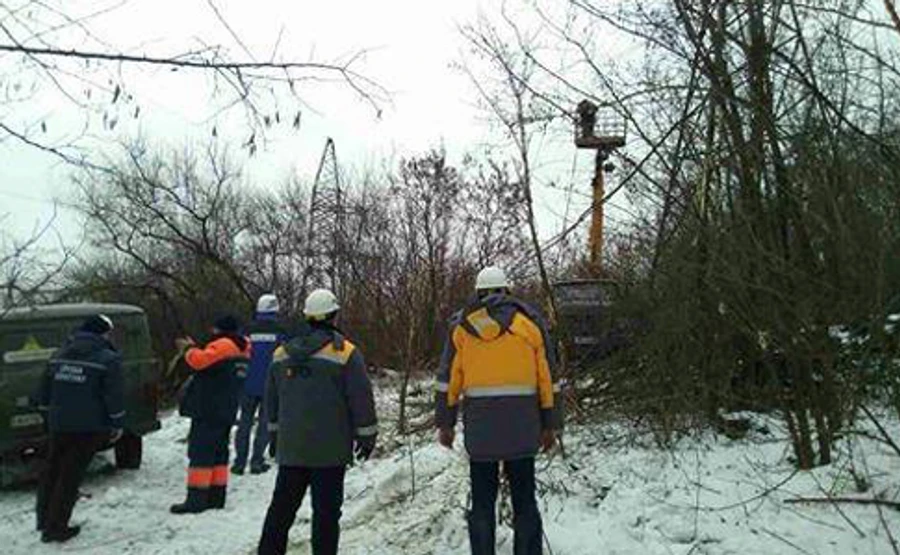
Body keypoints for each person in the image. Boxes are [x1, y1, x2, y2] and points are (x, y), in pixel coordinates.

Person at [434, 266, 563, 555]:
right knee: (525, 503)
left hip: (482, 433)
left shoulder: (463, 328)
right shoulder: (529, 325)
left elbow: (447, 380)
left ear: (478, 293)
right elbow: (548, 379)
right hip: (523, 429)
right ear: (507, 291)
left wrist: (446, 423)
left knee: (482, 504)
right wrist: (550, 424)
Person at [257, 288, 378, 555]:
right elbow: (361, 398)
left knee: (281, 511)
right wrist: (367, 436)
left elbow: (271, 401)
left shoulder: (281, 354)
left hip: (292, 449)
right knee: (326, 516)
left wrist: (274, 435)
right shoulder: (345, 353)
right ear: (334, 316)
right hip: (330, 453)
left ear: (307, 317)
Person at [35, 314, 125, 543]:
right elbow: (113, 396)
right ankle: (56, 528)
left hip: (58, 424)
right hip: (88, 426)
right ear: (103, 333)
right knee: (70, 476)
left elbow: (44, 390)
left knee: (52, 471)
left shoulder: (58, 355)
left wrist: (47, 415)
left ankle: (44, 520)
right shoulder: (108, 359)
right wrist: (117, 423)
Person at [171, 315, 251, 514]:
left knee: (201, 454)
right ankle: (216, 496)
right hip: (226, 408)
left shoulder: (224, 345)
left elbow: (199, 361)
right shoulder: (243, 348)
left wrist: (188, 349)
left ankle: (196, 500)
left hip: (208, 409)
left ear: (219, 329)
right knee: (219, 454)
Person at [233, 293, 285, 475]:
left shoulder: (247, 330)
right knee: (264, 423)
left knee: (244, 422)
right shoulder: (280, 331)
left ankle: (239, 463)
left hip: (247, 383)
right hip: (270, 384)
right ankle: (257, 461)